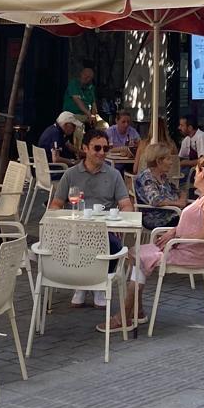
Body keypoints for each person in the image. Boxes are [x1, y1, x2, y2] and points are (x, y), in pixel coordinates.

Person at [114, 156, 204, 328]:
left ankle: (125, 315)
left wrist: (178, 238)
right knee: (135, 253)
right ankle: (135, 312)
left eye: (196, 170)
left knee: (138, 256)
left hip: (193, 254)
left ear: (202, 172)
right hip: (184, 248)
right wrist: (174, 231)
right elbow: (195, 224)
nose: (194, 175)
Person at [51, 130, 136, 309]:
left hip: (104, 230)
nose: (102, 152)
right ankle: (81, 283)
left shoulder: (113, 175)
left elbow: (126, 205)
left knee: (114, 245)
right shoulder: (71, 174)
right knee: (67, 244)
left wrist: (121, 220)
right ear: (85, 149)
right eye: (97, 148)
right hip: (75, 229)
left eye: (105, 148)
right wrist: (61, 221)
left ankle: (99, 284)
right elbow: (56, 205)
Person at [133, 143, 188, 212]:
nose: (171, 162)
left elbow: (179, 191)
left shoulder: (162, 176)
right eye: (168, 159)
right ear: (159, 161)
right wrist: (178, 203)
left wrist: (182, 200)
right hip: (159, 219)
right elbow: (156, 200)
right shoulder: (146, 178)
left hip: (174, 213)